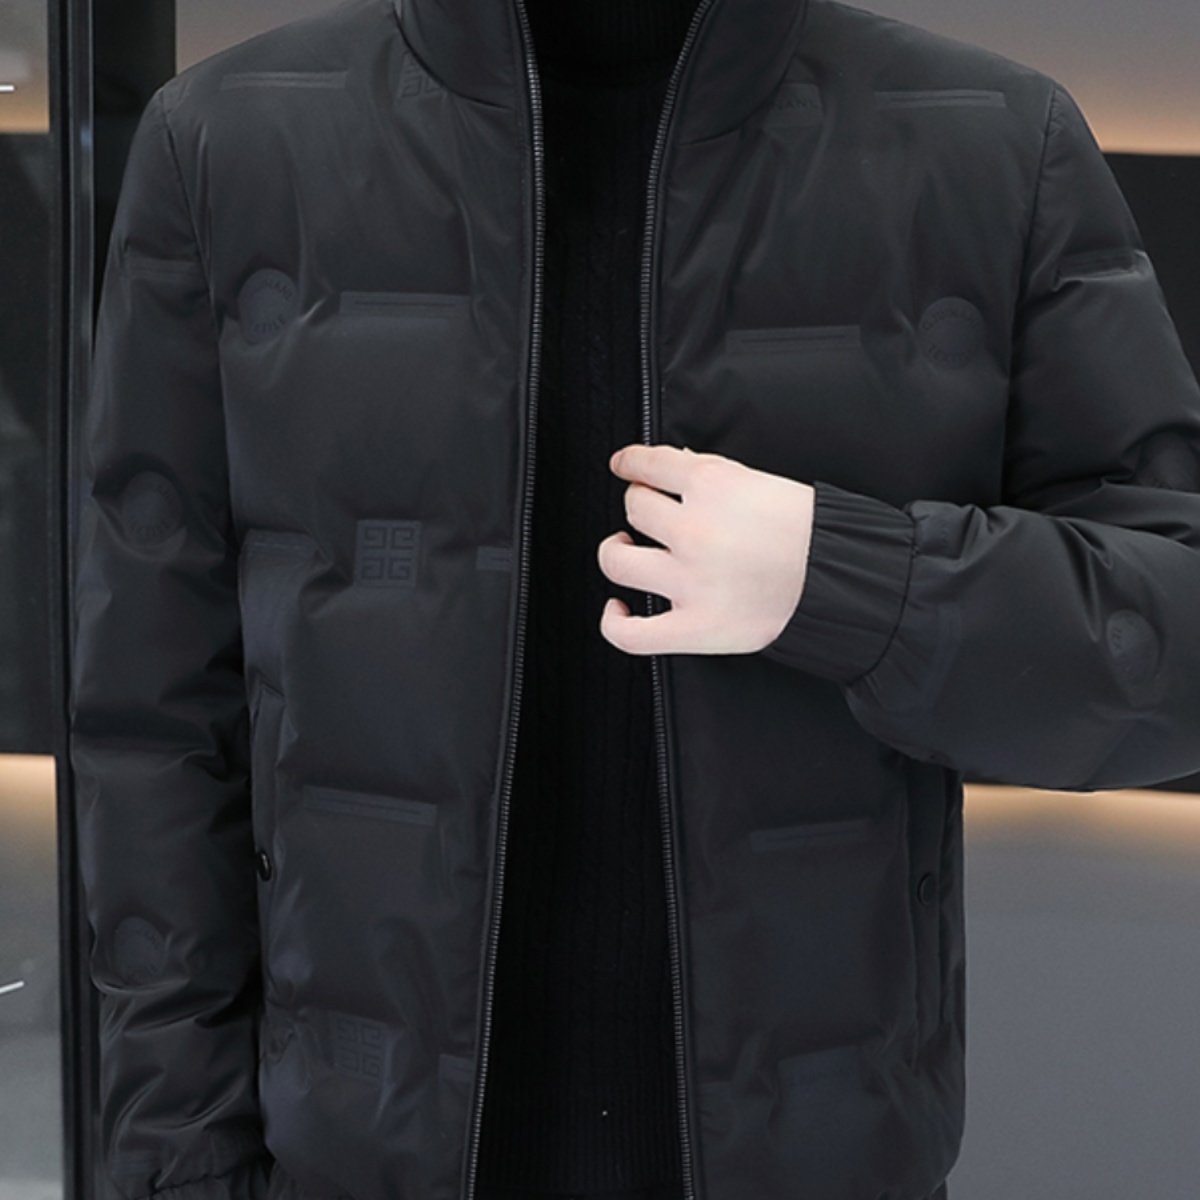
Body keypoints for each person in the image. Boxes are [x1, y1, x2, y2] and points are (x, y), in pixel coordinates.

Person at [68, 0, 1200, 1199]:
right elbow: (154, 722)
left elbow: (1174, 637)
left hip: (818, 1159)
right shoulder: (228, 144)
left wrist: (849, 581)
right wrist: (177, 1171)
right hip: (356, 1159)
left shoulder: (992, 141)